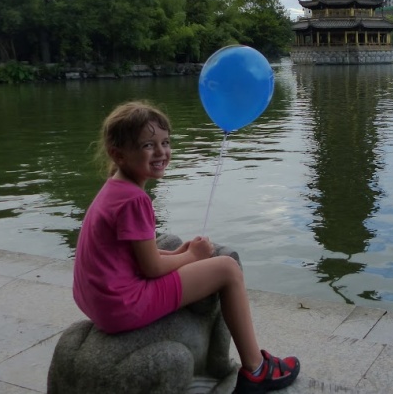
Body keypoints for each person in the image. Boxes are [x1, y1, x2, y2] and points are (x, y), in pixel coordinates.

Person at [73, 100, 300, 393]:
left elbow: (129, 255)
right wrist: (192, 255)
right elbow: (151, 267)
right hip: (122, 305)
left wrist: (179, 255)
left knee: (171, 245)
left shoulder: (114, 188)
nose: (161, 152)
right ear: (118, 154)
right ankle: (256, 369)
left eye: (165, 142)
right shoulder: (135, 200)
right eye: (147, 145)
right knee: (227, 268)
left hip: (98, 301)